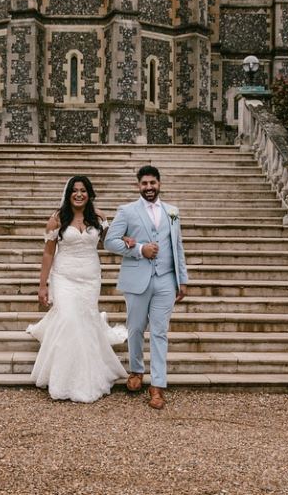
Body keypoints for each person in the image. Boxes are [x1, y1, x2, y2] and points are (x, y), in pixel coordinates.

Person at [26, 175, 128, 403]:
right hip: (64, 277)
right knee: (69, 319)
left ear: (89, 194)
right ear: (68, 193)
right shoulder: (57, 219)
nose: (79, 194)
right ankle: (62, 378)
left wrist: (127, 240)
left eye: (83, 190)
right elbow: (48, 253)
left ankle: (87, 375)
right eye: (75, 190)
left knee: (85, 321)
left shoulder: (99, 217)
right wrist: (42, 285)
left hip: (90, 278)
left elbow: (110, 242)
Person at [104, 165, 188, 410]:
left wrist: (182, 279)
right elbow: (109, 241)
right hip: (137, 278)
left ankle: (158, 385)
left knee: (160, 332)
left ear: (159, 184)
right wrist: (140, 249)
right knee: (136, 328)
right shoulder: (127, 211)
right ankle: (136, 370)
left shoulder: (172, 212)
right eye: (144, 183)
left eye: (152, 183)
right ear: (138, 186)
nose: (149, 187)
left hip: (166, 279)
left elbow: (177, 246)